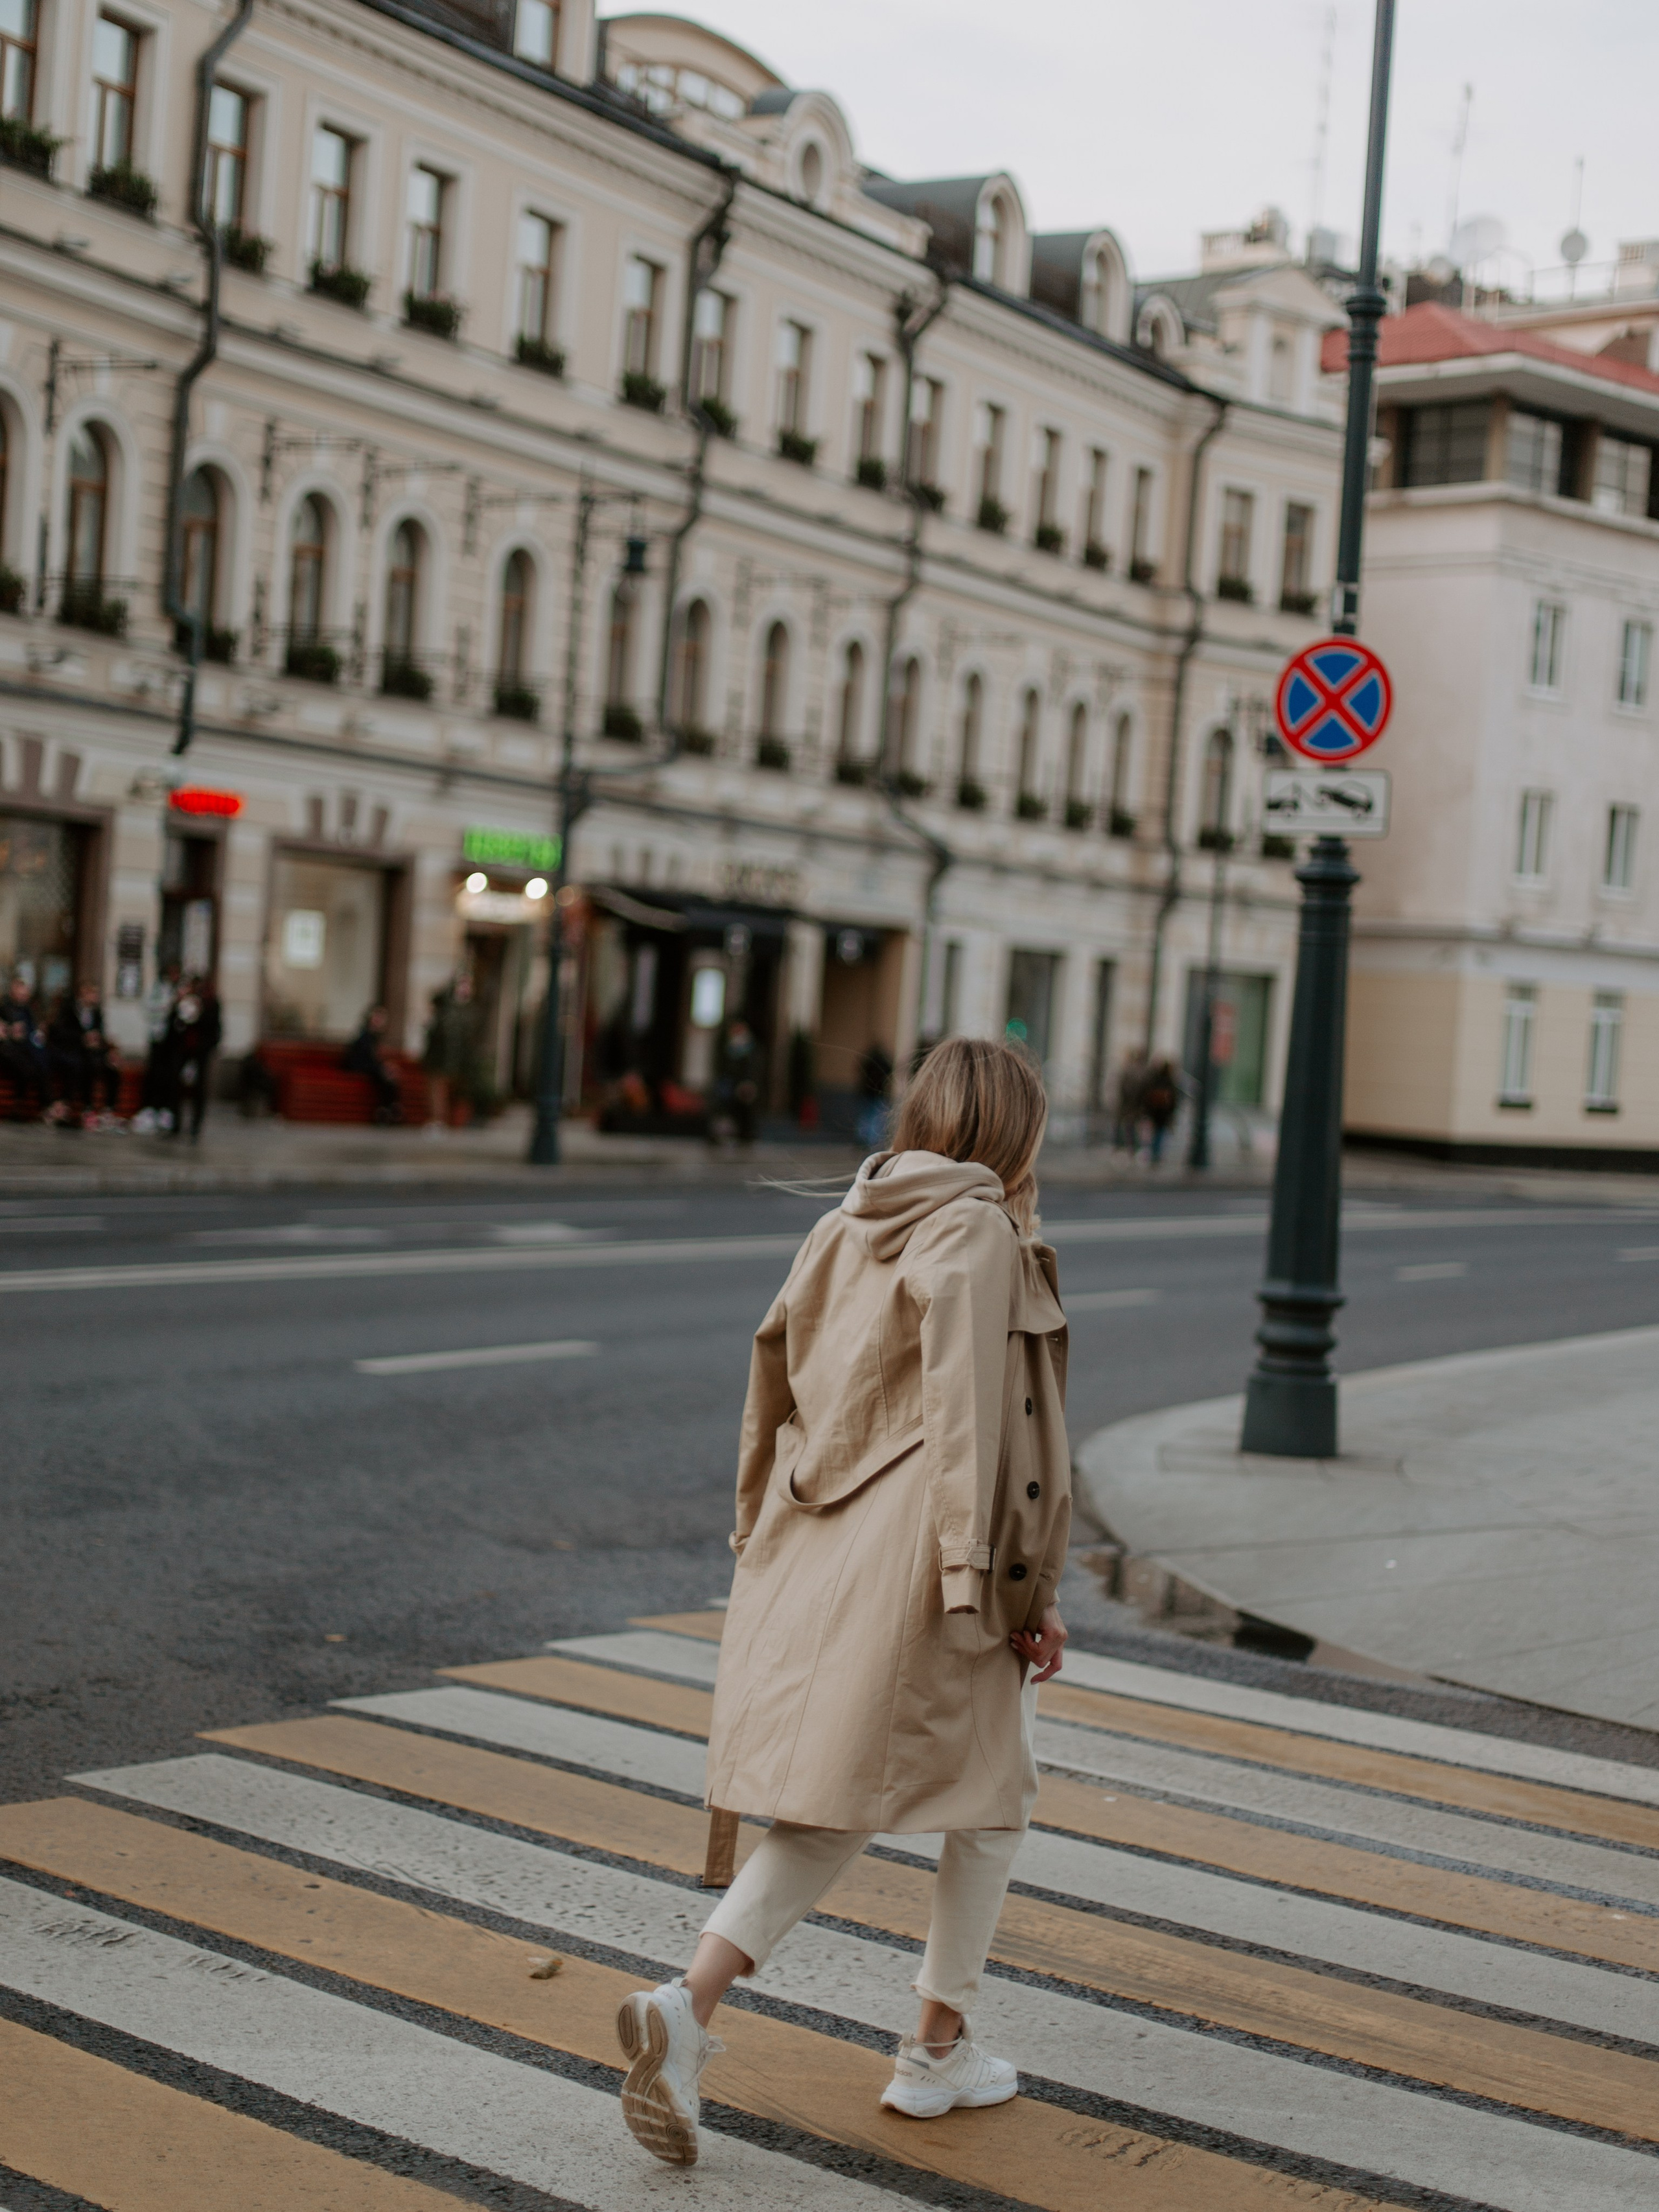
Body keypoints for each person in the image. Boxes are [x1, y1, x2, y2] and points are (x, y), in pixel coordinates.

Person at [615, 1035, 1071, 2165]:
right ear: (1015, 1133)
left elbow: (766, 1381)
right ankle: (931, 2046)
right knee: (993, 1789)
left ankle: (692, 2005)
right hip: (931, 1556)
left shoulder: (847, 1220)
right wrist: (1014, 1586)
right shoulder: (978, 1231)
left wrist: (754, 1533)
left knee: (845, 1798)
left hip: (824, 1542)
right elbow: (979, 1420)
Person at [47, 981, 121, 1124]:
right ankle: (82, 1107)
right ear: (84, 994)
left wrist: (104, 1046)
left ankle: (108, 1109)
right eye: (92, 993)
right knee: (83, 1066)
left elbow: (101, 1034)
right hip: (73, 1051)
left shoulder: (97, 1013)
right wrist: (82, 1039)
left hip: (93, 1052)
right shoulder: (69, 1009)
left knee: (112, 1068)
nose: (95, 997)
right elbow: (60, 1033)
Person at [167, 977, 222, 1142]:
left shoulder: (212, 1003)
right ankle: (175, 1124)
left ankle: (195, 1126)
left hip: (201, 1051)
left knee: (199, 1089)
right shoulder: (183, 1001)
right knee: (176, 1085)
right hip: (183, 1050)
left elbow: (214, 1029)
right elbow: (174, 1025)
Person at [421, 973, 477, 1134]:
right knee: (436, 1089)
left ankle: (447, 1120)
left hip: (455, 1059)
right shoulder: (445, 1006)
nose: (465, 990)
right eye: (462, 986)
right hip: (440, 1057)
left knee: (448, 1090)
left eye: (467, 986)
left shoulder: (466, 1011)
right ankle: (437, 1120)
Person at [342, 1004, 404, 1123]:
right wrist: (383, 1068)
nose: (379, 1021)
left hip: (368, 1066)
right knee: (385, 1076)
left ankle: (389, 1108)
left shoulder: (373, 1036)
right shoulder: (364, 1035)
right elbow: (363, 1058)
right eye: (377, 1017)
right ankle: (389, 1109)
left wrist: (385, 1066)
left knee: (389, 1077)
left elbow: (374, 1058)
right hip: (358, 1066)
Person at [0, 974, 51, 1117]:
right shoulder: (4, 1007)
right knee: (25, 1067)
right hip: (7, 1050)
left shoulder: (28, 1010)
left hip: (24, 1048)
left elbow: (32, 1031)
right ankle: (19, 1105)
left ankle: (45, 1105)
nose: (23, 996)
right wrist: (10, 1031)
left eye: (25, 993)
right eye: (20, 993)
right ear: (12, 992)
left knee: (41, 1061)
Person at [855, 1037, 893, 1150]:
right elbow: (889, 1071)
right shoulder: (883, 1061)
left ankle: (864, 1138)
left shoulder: (868, 1060)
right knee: (876, 1116)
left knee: (867, 1116)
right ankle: (872, 1140)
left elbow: (860, 1070)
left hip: (868, 1091)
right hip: (878, 1092)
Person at [1141, 1053, 1179, 1164]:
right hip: (1164, 1113)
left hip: (1155, 1112)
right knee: (1160, 1132)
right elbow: (1173, 1099)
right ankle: (1156, 1153)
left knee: (1155, 1132)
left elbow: (1147, 1095)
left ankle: (1153, 1152)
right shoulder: (1170, 1081)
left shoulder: (1155, 1079)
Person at [1111, 1045, 1146, 1154]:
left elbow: (1124, 1088)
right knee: (1129, 1126)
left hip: (1129, 1104)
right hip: (1132, 1105)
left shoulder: (1130, 1070)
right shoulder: (1140, 1071)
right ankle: (1128, 1147)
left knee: (1126, 1125)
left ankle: (1122, 1146)